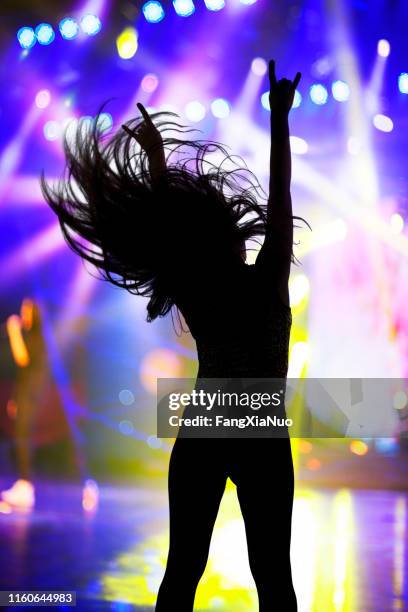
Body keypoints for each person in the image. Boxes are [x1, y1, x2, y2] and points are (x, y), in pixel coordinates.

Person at [42, 59, 302, 611]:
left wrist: (158, 161)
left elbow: (172, 233)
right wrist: (280, 120)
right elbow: (280, 206)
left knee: (184, 568)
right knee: (272, 577)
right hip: (258, 426)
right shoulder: (268, 277)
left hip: (209, 422)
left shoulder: (198, 288)